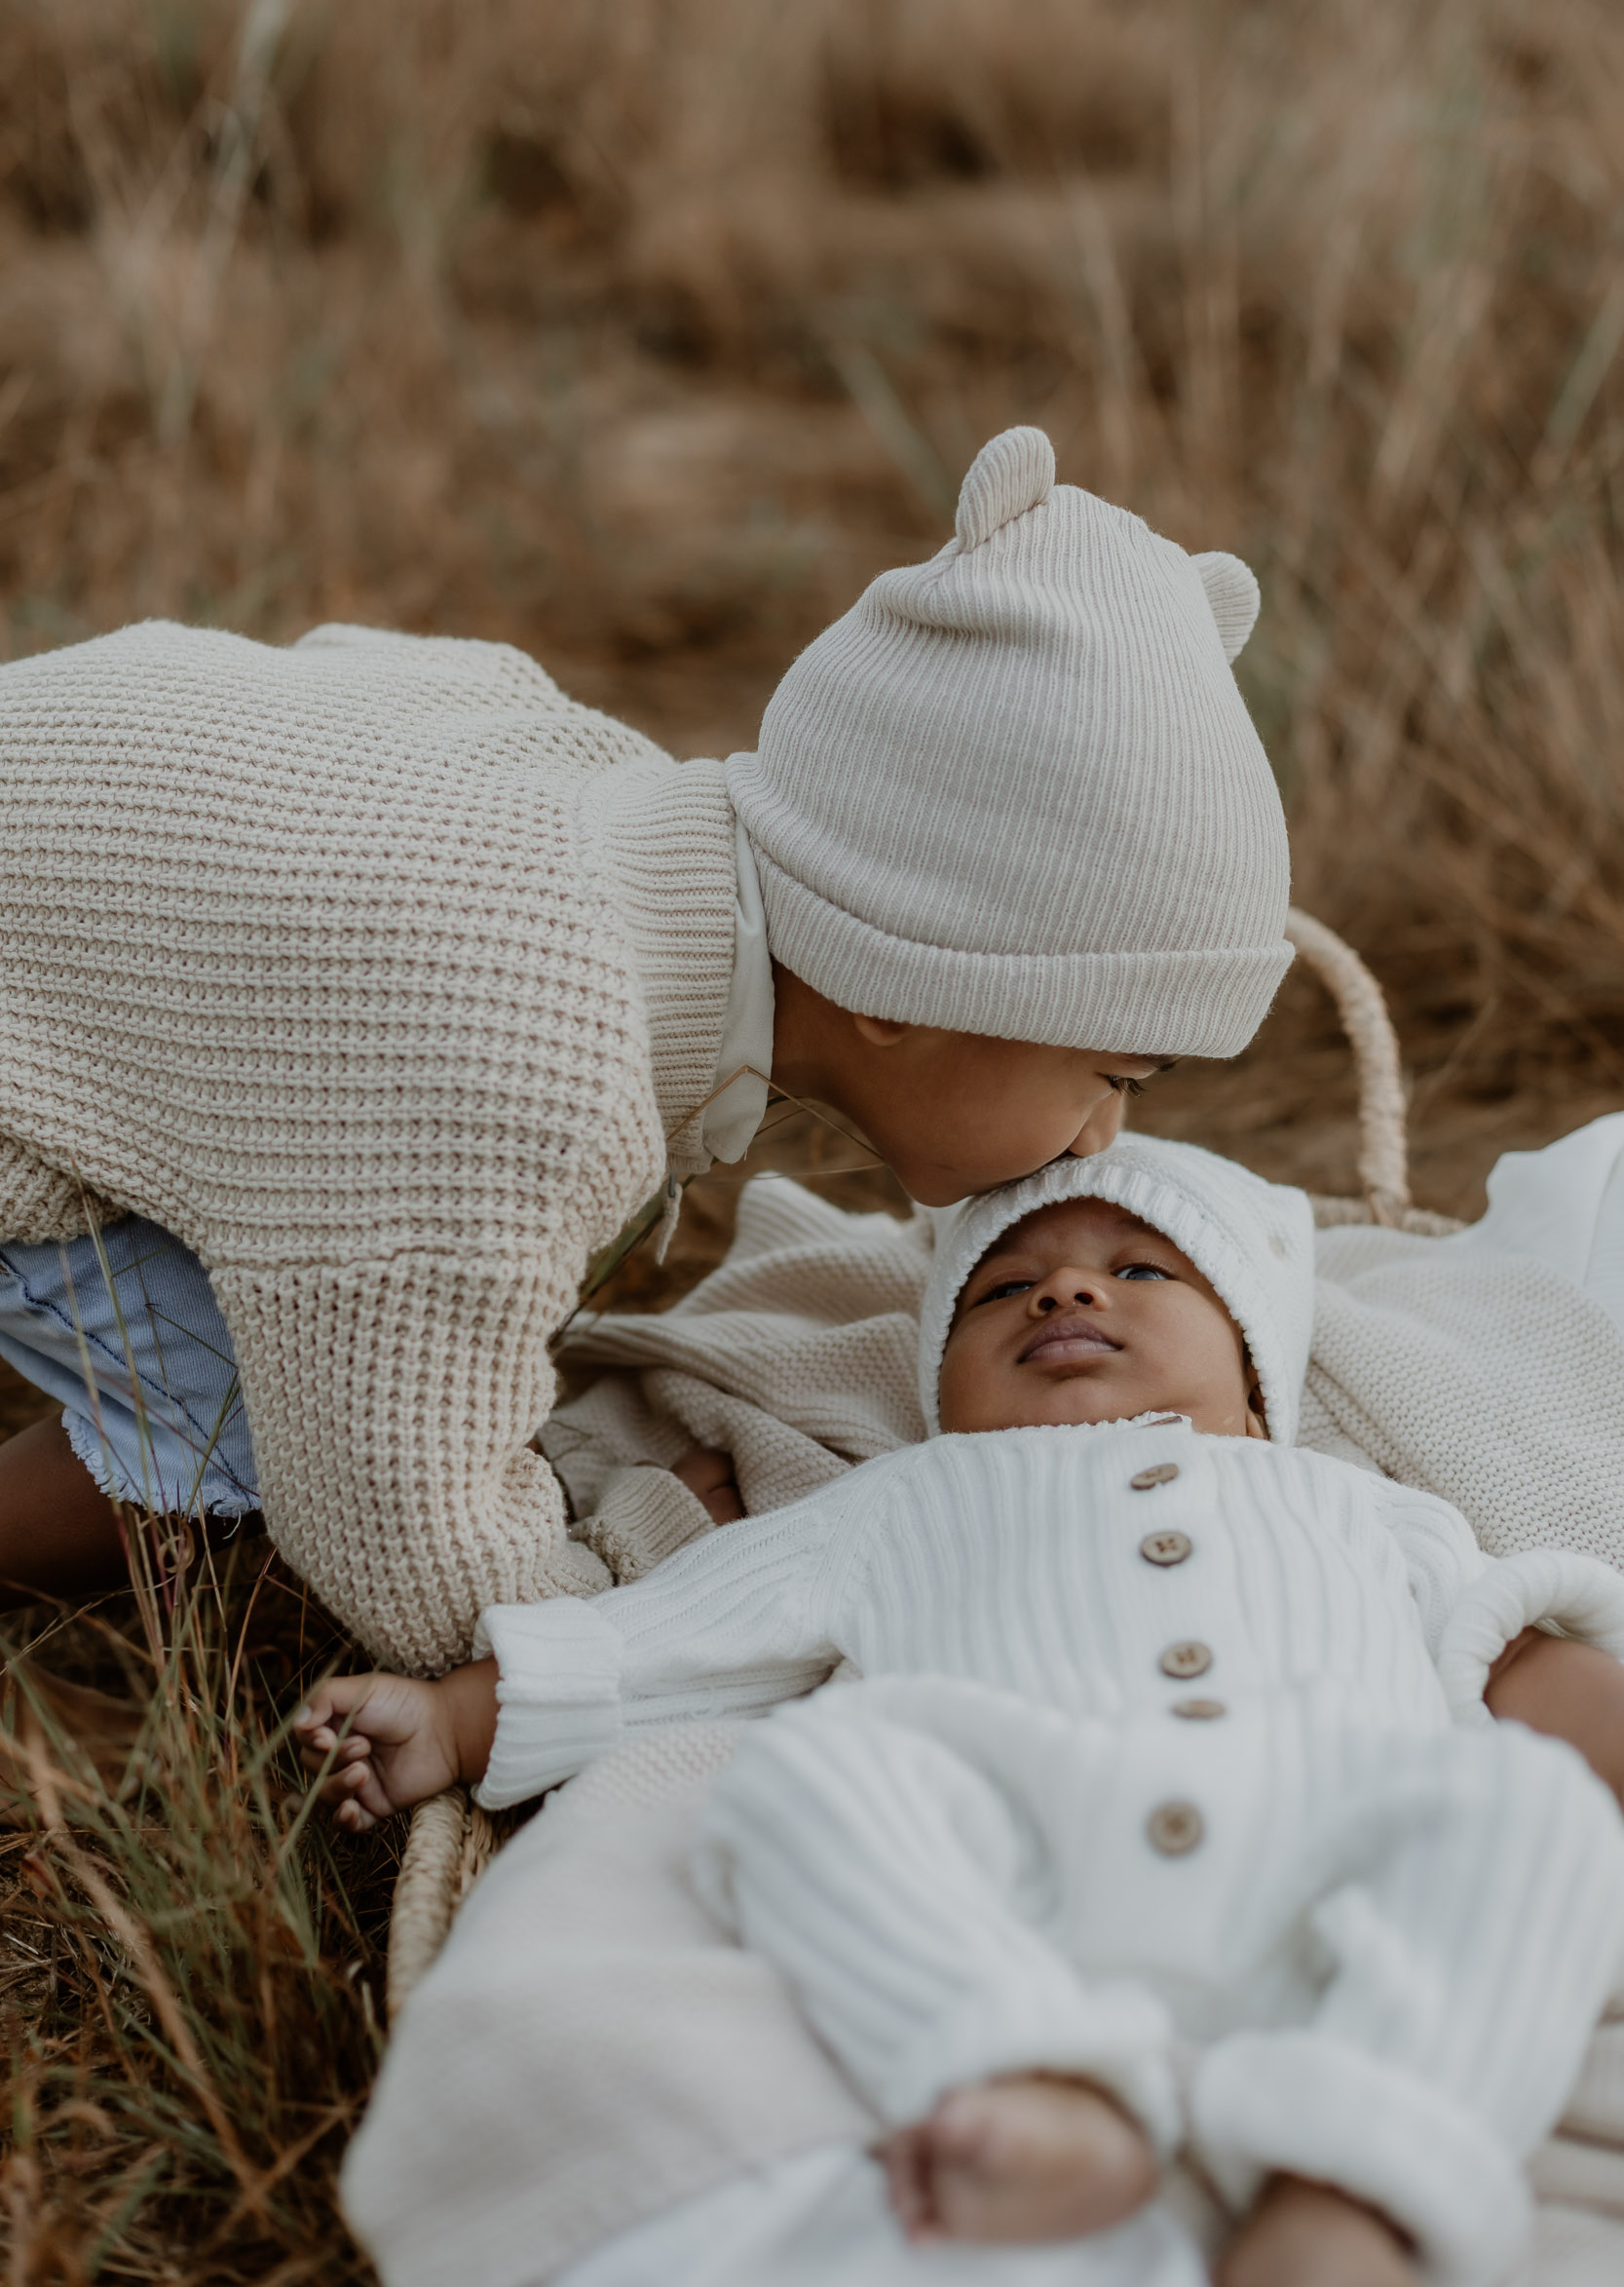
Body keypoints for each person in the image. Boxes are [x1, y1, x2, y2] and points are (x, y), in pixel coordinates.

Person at [0, 427, 1291, 1671]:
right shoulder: (538, 1073)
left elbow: (370, 674)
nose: (1105, 1132)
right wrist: (621, 1572)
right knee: (250, 1436)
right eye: (1110, 1076)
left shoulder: (599, 789)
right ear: (903, 988)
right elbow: (405, 1543)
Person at [301, 1134, 1624, 2287]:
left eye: (1142, 1271)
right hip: (1033, 1858)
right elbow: (686, 1632)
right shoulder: (904, 1496)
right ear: (940, 1384)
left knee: (1530, 1816)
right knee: (809, 1780)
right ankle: (1035, 2073)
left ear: (1258, 1380)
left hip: (1345, 1850)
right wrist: (457, 1718)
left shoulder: (1359, 1505)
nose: (1065, 1294)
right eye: (1003, 1291)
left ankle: (1347, 2189)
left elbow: (1505, 1649)